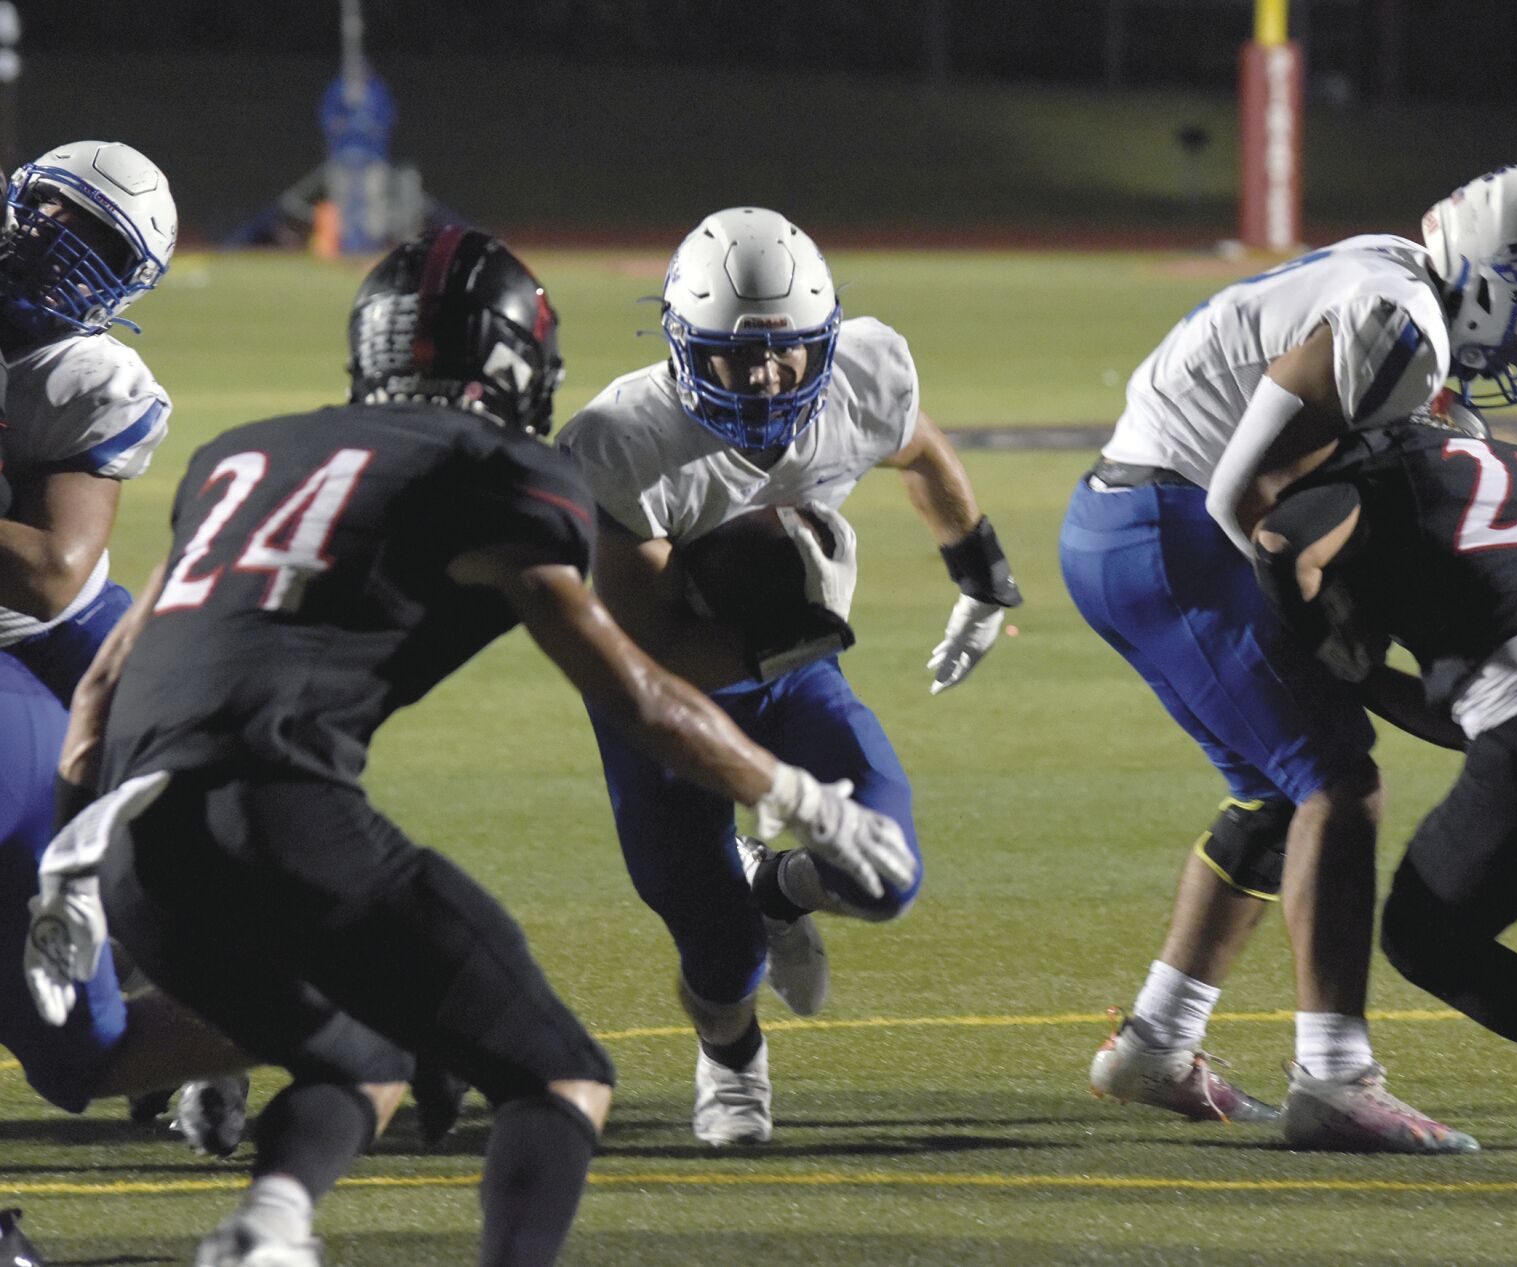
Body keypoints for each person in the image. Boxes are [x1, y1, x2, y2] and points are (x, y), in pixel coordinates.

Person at [22, 226, 913, 1267]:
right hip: (278, 806)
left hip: (124, 839)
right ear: (508, 360)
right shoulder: (502, 471)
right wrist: (811, 806)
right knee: (561, 1076)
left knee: (366, 1049)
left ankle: (270, 1225)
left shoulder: (241, 454)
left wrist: (66, 870)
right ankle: (278, 1225)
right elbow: (640, 695)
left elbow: (99, 686)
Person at [1060, 165, 1517, 1150]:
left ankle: (1155, 1040)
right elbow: (1244, 497)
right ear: (1496, 277)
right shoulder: (1401, 318)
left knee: (1274, 791)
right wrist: (1329, 640)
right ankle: (1333, 1077)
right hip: (1169, 521)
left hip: (1134, 519)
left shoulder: (1398, 286)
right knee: (1334, 780)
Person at [558, 206, 1021, 1146]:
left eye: (789, 352)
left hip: (791, 677)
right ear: (687, 345)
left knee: (887, 875)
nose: (768, 375)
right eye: (738, 355)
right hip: (662, 707)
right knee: (720, 957)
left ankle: (780, 889)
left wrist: (980, 573)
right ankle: (730, 1055)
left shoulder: (859, 373)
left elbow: (920, 449)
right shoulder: (625, 438)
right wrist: (789, 621)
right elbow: (643, 652)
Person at [1250, 417, 1517, 1094]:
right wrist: (1365, 677)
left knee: (1425, 936)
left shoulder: (1376, 468)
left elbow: (1283, 544)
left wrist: (1325, 645)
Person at [0, 139, 253, 1144]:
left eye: (96, 243)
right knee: (73, 1034)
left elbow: (53, 571)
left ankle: (313, 1011)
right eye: (58, 215)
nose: (62, 249)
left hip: (64, 640)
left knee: (78, 1034)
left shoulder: (85, 370)